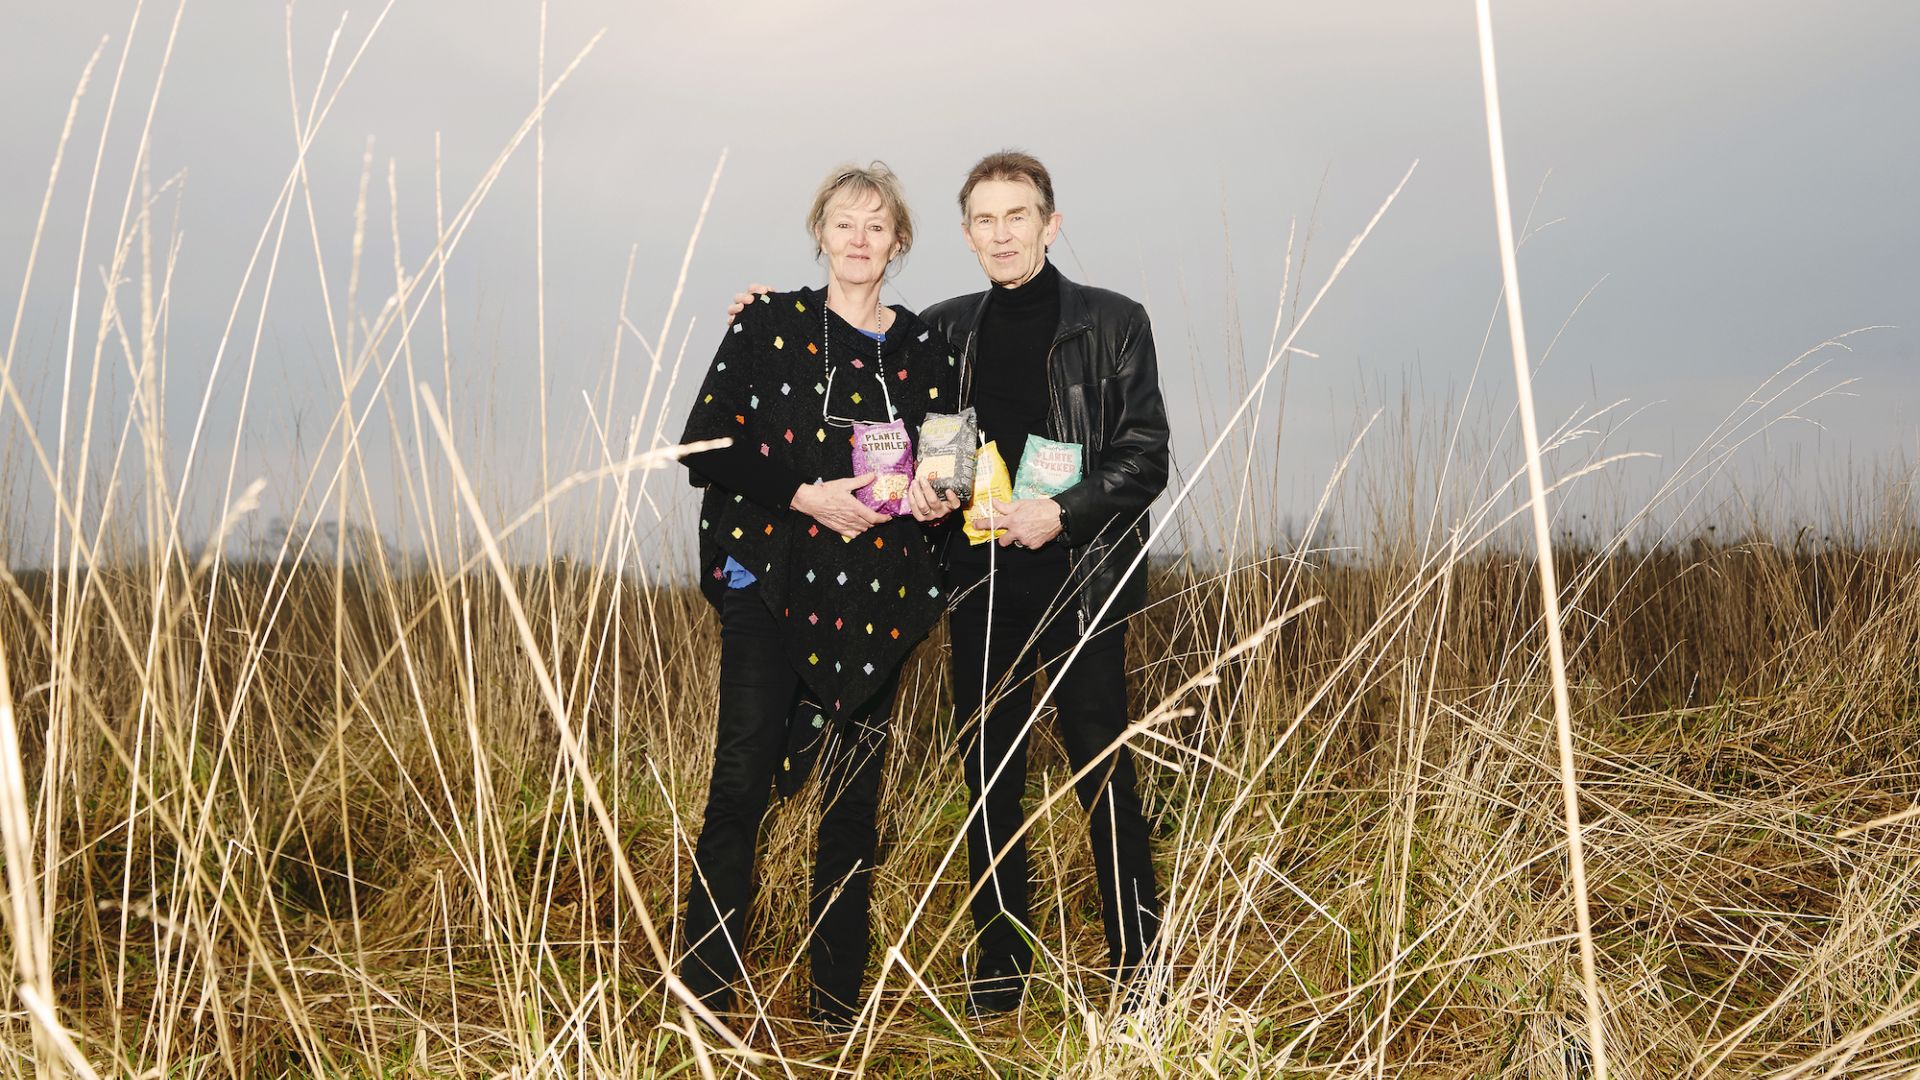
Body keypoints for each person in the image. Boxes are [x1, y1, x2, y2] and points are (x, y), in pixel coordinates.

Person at [727, 149, 1170, 1015]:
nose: (1002, 234)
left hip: (1081, 580)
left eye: (1018, 217)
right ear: (965, 233)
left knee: (1101, 770)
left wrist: (1063, 513)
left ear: (1051, 222)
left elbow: (1145, 454)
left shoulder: (1116, 323)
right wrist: (758, 310)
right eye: (985, 220)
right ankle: (1000, 973)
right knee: (990, 777)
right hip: (978, 582)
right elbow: (859, 355)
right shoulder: (943, 327)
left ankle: (1139, 972)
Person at [676, 162, 958, 1030]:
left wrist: (932, 496)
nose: (860, 238)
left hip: (877, 599)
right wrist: (807, 494)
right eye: (844, 223)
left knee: (851, 804)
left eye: (877, 226)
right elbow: (705, 447)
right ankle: (705, 994)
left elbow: (945, 469)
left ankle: (835, 1008)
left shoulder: (925, 349)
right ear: (822, 235)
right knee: (740, 786)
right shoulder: (769, 322)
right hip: (771, 579)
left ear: (899, 243)